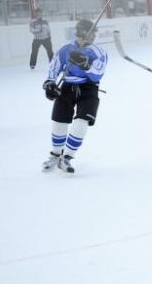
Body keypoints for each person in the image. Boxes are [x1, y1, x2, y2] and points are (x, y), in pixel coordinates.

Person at [41, 19, 107, 174]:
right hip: (67, 86)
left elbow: (98, 74)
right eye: (92, 31)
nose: (94, 35)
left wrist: (86, 64)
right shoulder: (66, 49)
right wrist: (50, 83)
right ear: (82, 31)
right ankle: (56, 155)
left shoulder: (97, 51)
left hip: (89, 87)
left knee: (81, 123)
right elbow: (54, 67)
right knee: (59, 122)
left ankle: (67, 158)